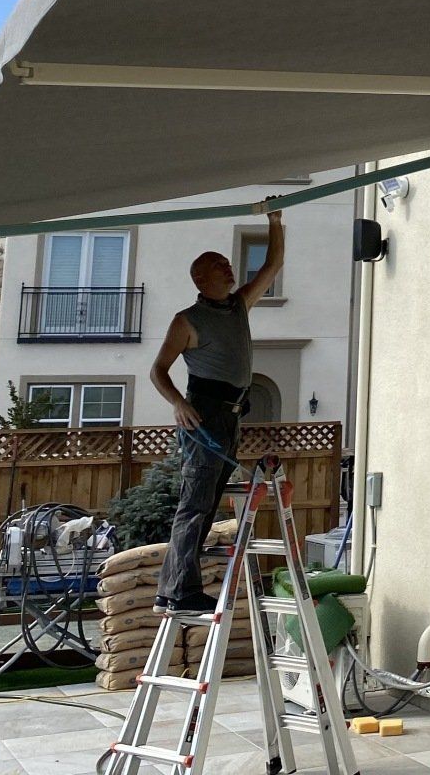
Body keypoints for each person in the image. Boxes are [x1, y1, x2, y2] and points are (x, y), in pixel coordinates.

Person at [149, 210, 284, 613]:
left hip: (231, 415)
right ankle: (176, 591)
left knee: (206, 504)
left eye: (227, 265)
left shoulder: (240, 305)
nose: (228, 268)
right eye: (219, 266)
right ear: (201, 280)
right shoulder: (187, 320)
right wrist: (179, 403)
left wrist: (275, 220)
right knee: (194, 502)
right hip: (204, 414)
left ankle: (179, 589)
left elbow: (273, 264)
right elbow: (157, 370)